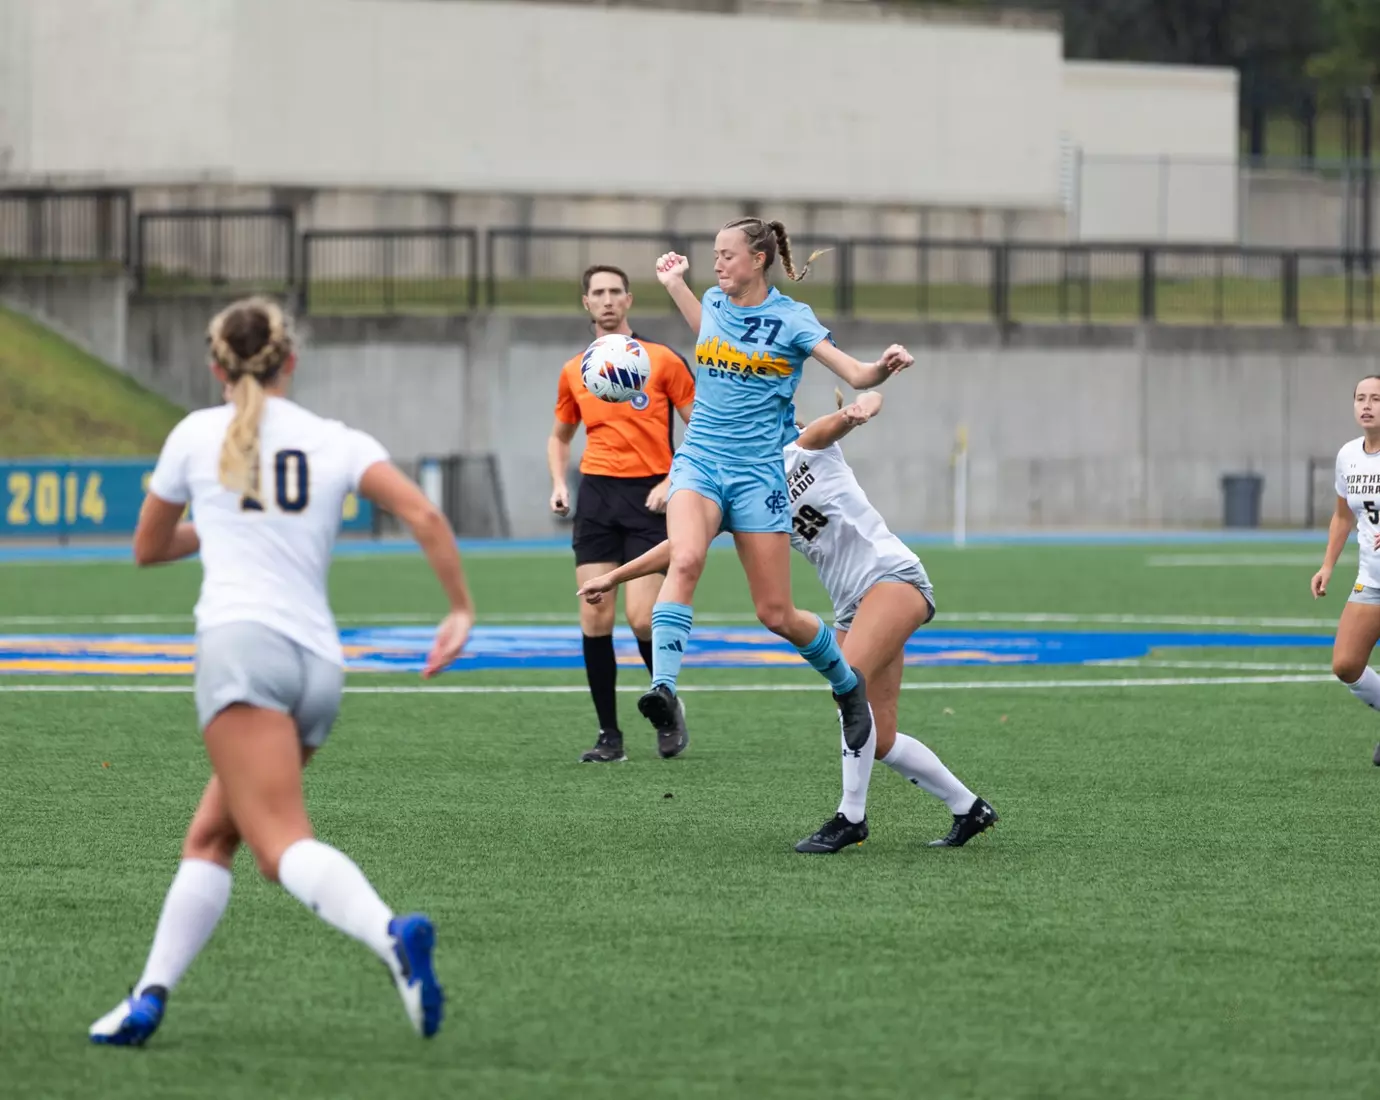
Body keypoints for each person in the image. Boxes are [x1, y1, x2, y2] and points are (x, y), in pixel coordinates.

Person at [90, 297, 475, 1047]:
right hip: (319, 665)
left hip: (242, 652)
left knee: (277, 847)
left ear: (215, 367)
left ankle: (392, 936)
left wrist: (224, 517)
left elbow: (147, 547)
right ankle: (147, 999)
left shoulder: (196, 434)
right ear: (290, 360)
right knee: (211, 837)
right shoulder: (336, 440)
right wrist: (458, 609)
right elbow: (425, 517)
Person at [579, 390, 996, 852]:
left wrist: (861, 408)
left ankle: (850, 818)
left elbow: (843, 417)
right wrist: (615, 577)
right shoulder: (749, 485)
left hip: (891, 577)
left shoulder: (808, 446)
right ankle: (968, 807)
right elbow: (680, 546)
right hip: (852, 604)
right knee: (876, 735)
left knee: (848, 683)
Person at [637, 218, 913, 758]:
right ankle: (663, 688)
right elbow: (708, 333)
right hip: (699, 460)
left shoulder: (792, 319)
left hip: (759, 473)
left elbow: (855, 375)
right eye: (713, 254)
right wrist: (676, 286)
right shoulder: (715, 299)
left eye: (727, 254)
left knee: (776, 614)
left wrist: (882, 367)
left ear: (758, 259)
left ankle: (845, 682)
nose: (717, 264)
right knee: (687, 559)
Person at [548, 264, 696, 762]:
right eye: (598, 293)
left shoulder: (662, 360)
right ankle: (609, 736)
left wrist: (672, 479)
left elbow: (701, 427)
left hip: (650, 499)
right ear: (585, 303)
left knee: (642, 618)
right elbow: (560, 435)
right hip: (596, 498)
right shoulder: (575, 369)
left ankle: (667, 704)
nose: (607, 300)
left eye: (616, 292)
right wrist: (557, 483)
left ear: (629, 300)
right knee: (594, 616)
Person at [1312, 373, 1380, 765]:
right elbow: (1342, 517)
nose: (1367, 405)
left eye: (1375, 398)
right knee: (1346, 665)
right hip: (1371, 581)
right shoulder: (1348, 456)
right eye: (1360, 398)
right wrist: (1327, 566)